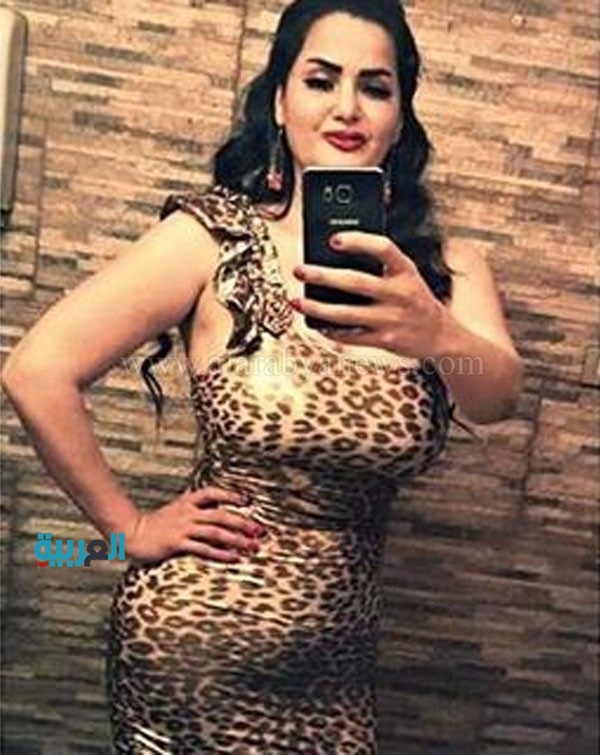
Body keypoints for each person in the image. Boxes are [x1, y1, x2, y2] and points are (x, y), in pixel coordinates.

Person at [1, 0, 523, 752]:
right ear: (280, 101)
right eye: (321, 80)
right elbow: (37, 369)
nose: (347, 107)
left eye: (375, 87)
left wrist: (436, 333)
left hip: (337, 669)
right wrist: (128, 529)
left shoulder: (448, 269)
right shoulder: (211, 240)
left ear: (400, 117)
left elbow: (496, 397)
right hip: (196, 649)